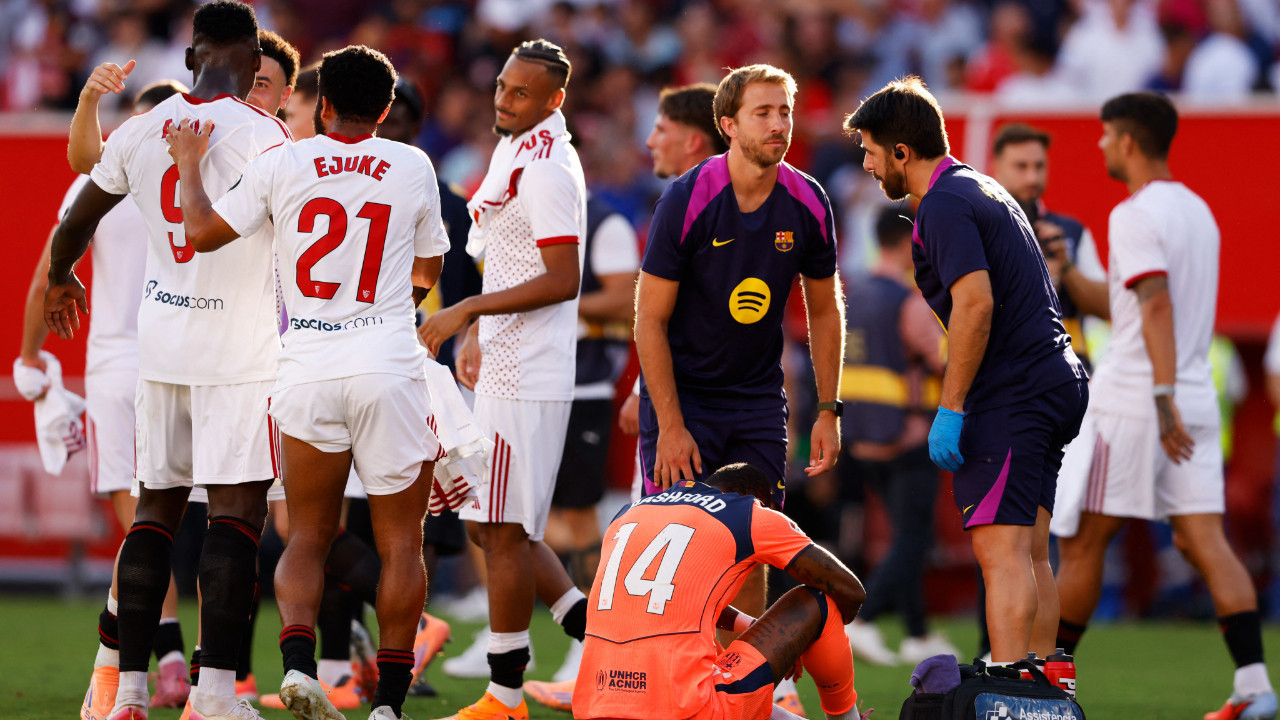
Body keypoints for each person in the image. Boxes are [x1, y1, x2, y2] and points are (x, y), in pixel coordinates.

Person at [167, 44, 451, 720]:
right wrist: (394, 304)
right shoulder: (412, 164)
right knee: (400, 545)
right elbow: (429, 266)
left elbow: (201, 232)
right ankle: (388, 704)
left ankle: (298, 667)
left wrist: (188, 163)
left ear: (322, 105)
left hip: (307, 367)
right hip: (387, 366)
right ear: (386, 108)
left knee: (307, 536)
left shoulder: (284, 161)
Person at [43, 4, 292, 720]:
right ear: (253, 62)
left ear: (190, 57)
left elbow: (77, 217)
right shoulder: (266, 135)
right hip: (238, 354)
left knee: (154, 513)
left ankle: (125, 693)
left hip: (160, 347)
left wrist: (62, 275)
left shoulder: (140, 128)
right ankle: (213, 695)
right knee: (235, 518)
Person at [845, 75, 1088, 665]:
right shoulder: (979, 187)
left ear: (902, 151)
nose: (868, 166)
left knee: (1002, 556)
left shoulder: (943, 204)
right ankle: (1044, 690)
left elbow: (975, 305)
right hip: (1053, 380)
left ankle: (1009, 685)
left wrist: (951, 407)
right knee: (1032, 554)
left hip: (1015, 392)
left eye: (872, 152)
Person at [1052, 92, 1276, 720]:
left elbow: (1154, 304)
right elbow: (1129, 304)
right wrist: (1067, 275)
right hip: (1194, 395)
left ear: (1127, 141)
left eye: (1104, 135)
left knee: (1085, 542)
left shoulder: (1133, 212)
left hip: (1138, 397)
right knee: (1206, 539)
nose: (1099, 146)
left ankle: (1048, 686)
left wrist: (1161, 394)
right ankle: (1255, 687)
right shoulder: (1198, 211)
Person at [633, 65, 843, 712]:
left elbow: (825, 309)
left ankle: (747, 697)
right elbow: (648, 319)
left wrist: (829, 410)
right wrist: (670, 425)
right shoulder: (687, 198)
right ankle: (667, 692)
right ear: (727, 125)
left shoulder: (808, 201)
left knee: (750, 552)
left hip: (756, 402)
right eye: (763, 113)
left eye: (785, 112)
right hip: (685, 401)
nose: (779, 124)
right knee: (675, 555)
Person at [417, 39, 590, 720]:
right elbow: (511, 261)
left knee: (503, 527)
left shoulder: (547, 168)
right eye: (501, 87)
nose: (505, 100)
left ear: (555, 100)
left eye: (521, 93)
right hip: (504, 360)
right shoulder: (515, 149)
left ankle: (506, 694)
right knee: (493, 527)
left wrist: (467, 309)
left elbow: (562, 278)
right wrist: (478, 332)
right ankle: (596, 637)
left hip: (531, 370)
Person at [16, 78, 191, 720]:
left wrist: (29, 356)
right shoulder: (203, 176)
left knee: (141, 524)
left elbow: (49, 272)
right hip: (189, 361)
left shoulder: (104, 176)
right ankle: (196, 670)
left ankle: (126, 670)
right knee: (197, 523)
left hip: (118, 365)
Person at [572, 463, 864, 720]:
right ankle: (847, 717)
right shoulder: (747, 513)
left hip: (596, 705)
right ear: (758, 500)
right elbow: (849, 590)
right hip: (686, 710)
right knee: (818, 600)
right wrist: (811, 639)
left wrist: (753, 626)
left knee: (705, 654)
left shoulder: (629, 512)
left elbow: (671, 596)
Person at [521, 194, 638, 706]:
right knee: (513, 517)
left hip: (583, 385)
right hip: (524, 383)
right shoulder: (519, 213)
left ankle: (592, 637)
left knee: (579, 511)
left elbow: (625, 298)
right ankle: (522, 631)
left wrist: (549, 299)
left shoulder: (604, 221)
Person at [840, 206, 956, 667]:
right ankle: (862, 619)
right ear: (910, 243)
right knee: (914, 539)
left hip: (863, 435)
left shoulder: (856, 294)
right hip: (907, 435)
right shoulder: (909, 300)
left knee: (904, 535)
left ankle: (917, 633)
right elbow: (947, 360)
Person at [618, 81, 727, 487]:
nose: (650, 141)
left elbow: (687, 318)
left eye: (661, 129)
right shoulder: (708, 204)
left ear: (693, 141)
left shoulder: (695, 209)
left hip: (688, 411)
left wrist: (645, 396)